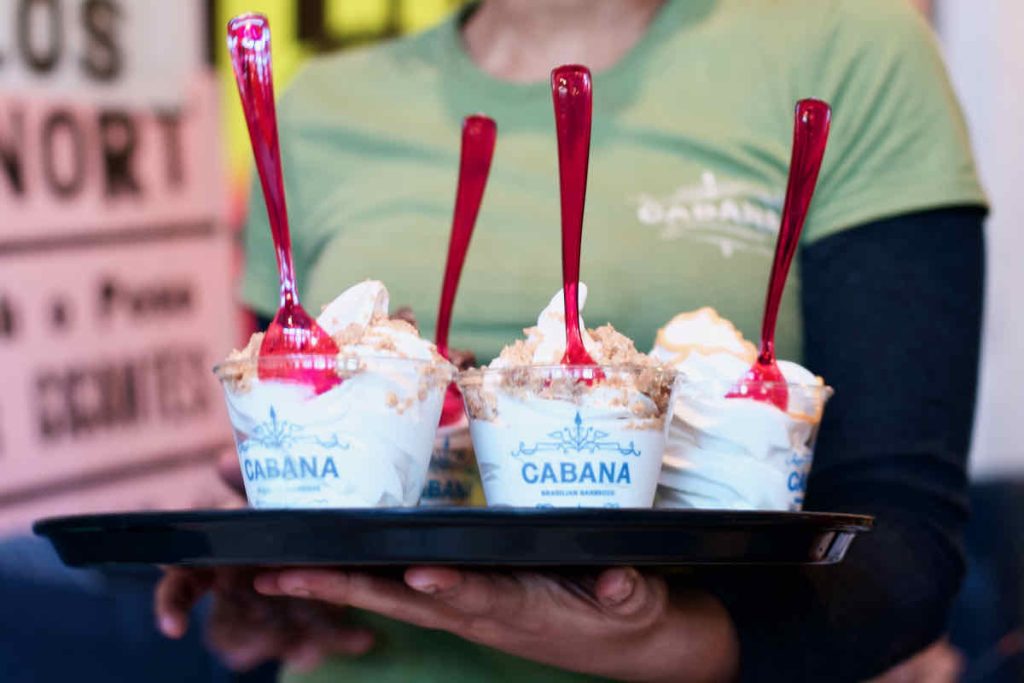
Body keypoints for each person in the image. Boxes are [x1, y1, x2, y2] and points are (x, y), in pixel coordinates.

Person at [156, 0, 987, 680]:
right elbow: (303, 407)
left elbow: (906, 546)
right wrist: (272, 570)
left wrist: (667, 641)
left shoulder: (854, 50)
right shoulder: (320, 108)